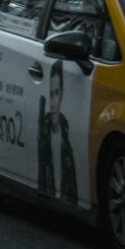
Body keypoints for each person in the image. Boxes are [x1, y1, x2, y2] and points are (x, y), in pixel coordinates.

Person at [37, 58, 77, 202]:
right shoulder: (43, 134)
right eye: (51, 93)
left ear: (62, 94)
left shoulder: (67, 138)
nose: (53, 102)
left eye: (57, 93)